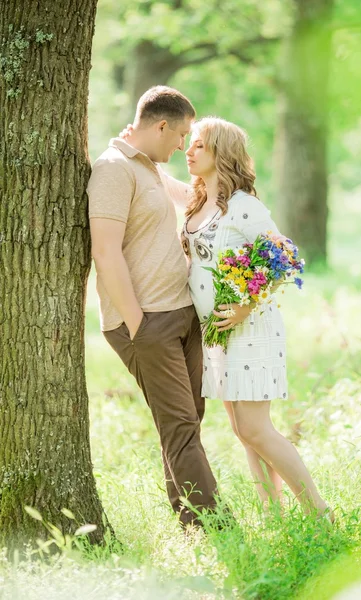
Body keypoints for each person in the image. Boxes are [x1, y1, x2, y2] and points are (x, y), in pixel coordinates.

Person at [181, 117, 333, 519]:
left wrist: (247, 305)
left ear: (220, 153)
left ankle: (320, 512)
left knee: (255, 429)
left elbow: (284, 258)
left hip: (250, 328)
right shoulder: (198, 202)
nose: (189, 151)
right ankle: (274, 515)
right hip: (216, 334)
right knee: (242, 431)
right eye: (189, 144)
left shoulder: (246, 207)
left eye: (198, 145)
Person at [87, 86, 222, 529]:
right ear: (162, 125)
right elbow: (105, 252)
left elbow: (197, 198)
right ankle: (215, 527)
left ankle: (191, 519)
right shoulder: (112, 170)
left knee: (187, 420)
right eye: (182, 135)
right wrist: (137, 324)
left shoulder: (148, 166)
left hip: (181, 312)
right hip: (147, 322)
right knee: (181, 424)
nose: (183, 145)